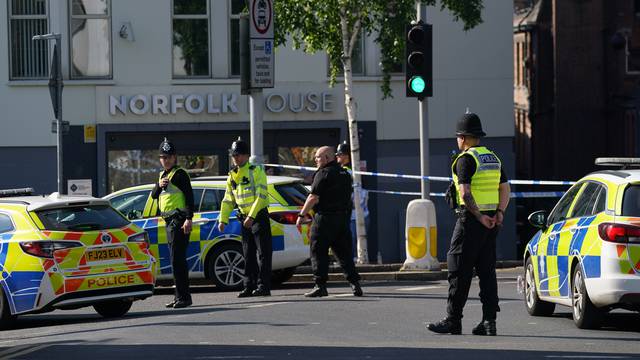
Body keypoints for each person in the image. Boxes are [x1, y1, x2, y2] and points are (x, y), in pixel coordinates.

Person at [427, 112, 510, 335]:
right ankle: (489, 322)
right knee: (486, 271)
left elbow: (464, 192)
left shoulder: (465, 159)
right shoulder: (493, 157)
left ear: (462, 137)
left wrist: (478, 215)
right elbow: (505, 188)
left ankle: (453, 320)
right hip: (492, 222)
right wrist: (499, 213)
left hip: (471, 221)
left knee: (458, 268)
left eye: (458, 137)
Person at [296, 146, 363, 297]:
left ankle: (320, 285)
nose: (315, 160)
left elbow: (313, 197)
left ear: (327, 158)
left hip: (325, 219)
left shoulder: (323, 173)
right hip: (342, 219)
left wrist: (301, 215)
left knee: (318, 251)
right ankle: (355, 284)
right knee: (344, 253)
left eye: (318, 157)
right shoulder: (345, 174)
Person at [218, 138, 272, 297]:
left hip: (258, 217)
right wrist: (223, 219)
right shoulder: (232, 175)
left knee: (264, 254)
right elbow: (228, 199)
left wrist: (251, 216)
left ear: (247, 156)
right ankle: (249, 286)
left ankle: (264, 286)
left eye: (240, 155)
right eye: (234, 155)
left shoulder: (256, 171)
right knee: (248, 254)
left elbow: (261, 196)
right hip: (244, 218)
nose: (237, 158)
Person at [151, 138, 194, 309]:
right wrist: (159, 185)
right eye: (163, 157)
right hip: (168, 222)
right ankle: (179, 297)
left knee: (178, 260)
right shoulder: (162, 176)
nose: (166, 160)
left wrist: (189, 218)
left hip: (179, 220)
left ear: (175, 157)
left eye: (168, 157)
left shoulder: (180, 174)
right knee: (175, 260)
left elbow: (190, 197)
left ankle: (184, 297)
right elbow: (154, 195)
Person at [335, 141, 370, 262]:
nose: (337, 157)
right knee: (356, 243)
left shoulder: (346, 172)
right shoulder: (355, 170)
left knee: (352, 241)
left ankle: (354, 261)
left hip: (354, 215)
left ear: (346, 156)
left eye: (339, 154)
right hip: (362, 213)